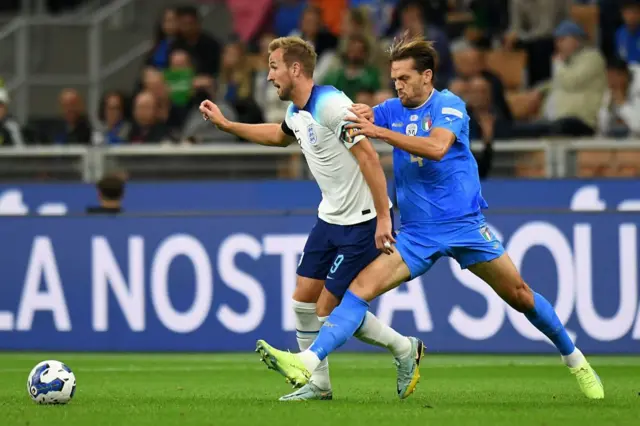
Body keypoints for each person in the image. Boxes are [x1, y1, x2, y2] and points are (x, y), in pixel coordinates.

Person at [254, 35, 605, 401]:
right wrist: (358, 112)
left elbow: (437, 148)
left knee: (521, 295)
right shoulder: (391, 109)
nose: (398, 86)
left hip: (464, 226)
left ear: (427, 76)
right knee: (356, 293)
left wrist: (379, 131)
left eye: (404, 78)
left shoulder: (450, 106)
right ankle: (309, 363)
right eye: (394, 80)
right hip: (417, 234)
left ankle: (575, 359)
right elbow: (367, 115)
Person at [199, 36, 424, 401]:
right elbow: (278, 135)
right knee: (303, 302)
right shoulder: (296, 112)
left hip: (360, 221)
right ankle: (318, 385)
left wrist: (385, 217)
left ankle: (403, 349)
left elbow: (369, 157)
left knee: (327, 310)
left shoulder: (332, 105)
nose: (269, 77)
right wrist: (228, 126)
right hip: (329, 219)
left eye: (273, 67)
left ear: (295, 69)